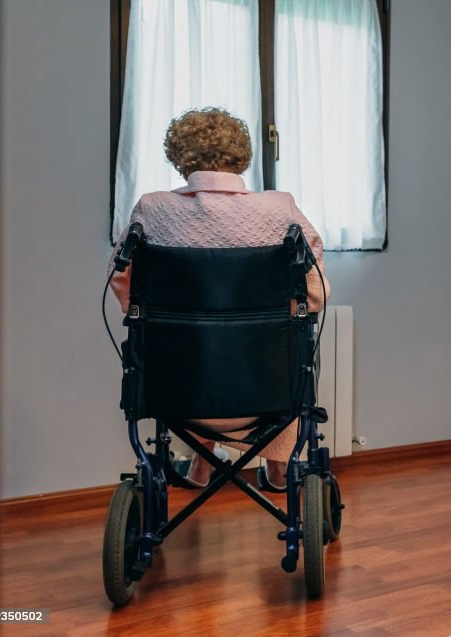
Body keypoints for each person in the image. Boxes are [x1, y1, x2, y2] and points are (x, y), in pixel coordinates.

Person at [110, 106, 329, 490]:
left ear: (180, 158)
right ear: (240, 156)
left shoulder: (152, 209)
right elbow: (315, 292)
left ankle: (201, 464)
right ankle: (278, 469)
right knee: (279, 342)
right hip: (266, 391)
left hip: (177, 391)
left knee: (197, 344)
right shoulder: (280, 209)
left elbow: (121, 278)